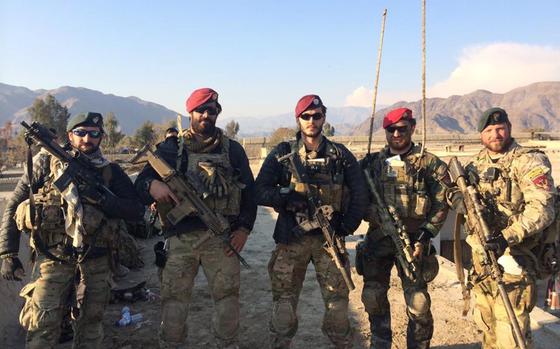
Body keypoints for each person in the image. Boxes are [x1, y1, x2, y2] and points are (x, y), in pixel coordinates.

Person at [0, 112, 144, 348]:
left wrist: (104, 201)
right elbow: (15, 204)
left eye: (94, 134)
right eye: (80, 132)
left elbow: (137, 210)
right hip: (52, 260)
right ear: (70, 135)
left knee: (91, 326)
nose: (87, 138)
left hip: (97, 261)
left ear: (101, 138)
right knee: (41, 326)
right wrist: (8, 253)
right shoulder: (45, 163)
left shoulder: (110, 172)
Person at [134, 87, 257, 349]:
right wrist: (152, 187)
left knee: (227, 303)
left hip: (221, 239)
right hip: (180, 241)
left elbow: (250, 193)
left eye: (211, 111)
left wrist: (244, 229)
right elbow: (140, 183)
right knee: (174, 305)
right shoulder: (171, 149)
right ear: (190, 113)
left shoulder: (232, 151)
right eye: (201, 110)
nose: (206, 115)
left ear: (217, 113)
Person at [255, 94, 368, 349]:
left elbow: (360, 194)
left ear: (324, 118)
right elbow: (258, 190)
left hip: (329, 243)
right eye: (306, 116)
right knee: (283, 307)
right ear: (298, 120)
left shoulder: (340, 155)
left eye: (317, 116)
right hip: (291, 239)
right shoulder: (283, 153)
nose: (311, 121)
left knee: (338, 308)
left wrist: (345, 226)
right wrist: (286, 196)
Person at [450, 107, 557, 348]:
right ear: (481, 135)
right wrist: (455, 198)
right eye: (488, 130)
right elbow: (459, 196)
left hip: (515, 258)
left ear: (508, 128)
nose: (495, 134)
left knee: (511, 333)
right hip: (482, 261)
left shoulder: (528, 160)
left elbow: (543, 209)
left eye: (500, 129)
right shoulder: (475, 165)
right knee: (487, 326)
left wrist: (506, 237)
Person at [357, 107, 450, 349]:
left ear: (412, 128)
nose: (396, 134)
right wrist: (371, 212)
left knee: (418, 303)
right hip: (378, 239)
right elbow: (356, 197)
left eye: (402, 128)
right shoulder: (372, 164)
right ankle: (380, 343)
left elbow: (442, 201)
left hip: (415, 242)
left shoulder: (428, 163)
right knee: (373, 297)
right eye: (391, 129)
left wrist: (427, 232)